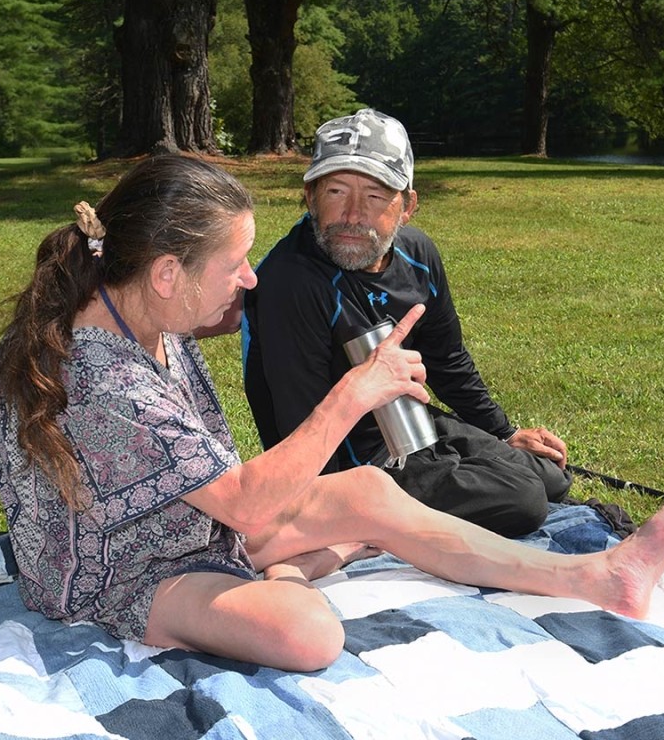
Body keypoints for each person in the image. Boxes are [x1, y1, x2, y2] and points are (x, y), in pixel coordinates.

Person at [0, 154, 664, 672]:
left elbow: (226, 490)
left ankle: (599, 577)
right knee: (308, 636)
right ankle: (291, 568)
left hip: (187, 522)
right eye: (235, 263)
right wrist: (355, 392)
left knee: (372, 489)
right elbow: (245, 504)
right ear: (167, 273)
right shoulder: (100, 378)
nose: (250, 278)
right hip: (119, 570)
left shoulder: (141, 307)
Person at [243, 108, 570, 539]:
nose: (352, 215)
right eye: (336, 190)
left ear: (408, 205)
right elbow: (300, 430)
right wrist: (342, 521)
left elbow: (447, 357)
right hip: (350, 459)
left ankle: (454, 468)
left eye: (376, 196)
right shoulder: (291, 280)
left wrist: (504, 433)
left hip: (409, 423)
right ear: (310, 196)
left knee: (551, 478)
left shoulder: (418, 254)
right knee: (524, 500)